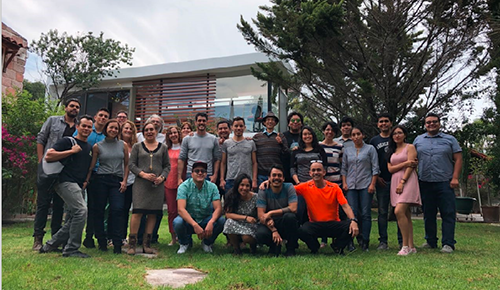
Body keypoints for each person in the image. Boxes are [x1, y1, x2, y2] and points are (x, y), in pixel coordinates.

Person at [38, 115, 94, 258]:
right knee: (81, 211)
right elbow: (49, 155)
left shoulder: (88, 147)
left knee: (75, 217)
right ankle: (71, 249)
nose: (86, 129)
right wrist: (71, 151)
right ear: (77, 127)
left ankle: (50, 245)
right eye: (84, 126)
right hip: (65, 181)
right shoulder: (68, 141)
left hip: (79, 185)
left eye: (89, 127)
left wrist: (85, 182)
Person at [33, 98, 80, 251]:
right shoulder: (53, 121)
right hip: (48, 167)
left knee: (59, 206)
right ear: (66, 107)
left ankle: (55, 239)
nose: (74, 109)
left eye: (77, 107)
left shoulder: (79, 127)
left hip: (64, 172)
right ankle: (38, 239)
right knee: (43, 204)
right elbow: (41, 138)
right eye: (72, 106)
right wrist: (41, 161)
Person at [413, 113, 462, 253]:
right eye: (428, 122)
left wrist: (455, 177)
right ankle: (430, 241)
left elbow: (458, 159)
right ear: (425, 124)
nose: (431, 124)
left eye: (434, 122)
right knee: (428, 213)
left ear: (439, 123)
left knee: (448, 213)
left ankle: (448, 243)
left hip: (445, 182)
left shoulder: (450, 140)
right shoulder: (418, 140)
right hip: (425, 182)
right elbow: (412, 158)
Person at [296, 162, 359, 255]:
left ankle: (337, 246)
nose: (316, 172)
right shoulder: (305, 186)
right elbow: (287, 189)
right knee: (302, 230)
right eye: (313, 170)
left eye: (319, 170)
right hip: (315, 224)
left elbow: (345, 206)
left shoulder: (334, 187)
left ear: (324, 172)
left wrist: (353, 220)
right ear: (310, 173)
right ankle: (314, 247)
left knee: (351, 226)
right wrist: (269, 183)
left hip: (333, 223)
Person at [127, 121, 170, 255]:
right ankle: (132, 244)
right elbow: (131, 164)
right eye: (147, 130)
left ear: (156, 132)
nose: (150, 132)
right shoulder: (137, 147)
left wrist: (162, 178)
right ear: (143, 132)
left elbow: (167, 166)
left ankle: (147, 244)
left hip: (157, 186)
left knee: (152, 214)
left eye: (152, 130)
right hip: (141, 185)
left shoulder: (163, 148)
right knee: (137, 212)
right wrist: (143, 174)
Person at [85, 119, 129, 254]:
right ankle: (101, 241)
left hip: (117, 181)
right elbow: (92, 166)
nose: (113, 130)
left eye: (116, 128)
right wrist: (86, 180)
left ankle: (117, 242)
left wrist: (125, 181)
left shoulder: (123, 145)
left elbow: (127, 164)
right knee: (99, 210)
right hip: (101, 180)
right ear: (106, 129)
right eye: (111, 128)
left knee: (117, 209)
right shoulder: (98, 146)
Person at [174, 161, 226, 254]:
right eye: (197, 171)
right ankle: (184, 243)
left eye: (203, 171)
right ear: (192, 173)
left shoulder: (212, 187)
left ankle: (207, 243)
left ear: (206, 174)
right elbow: (181, 210)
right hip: (189, 221)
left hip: (205, 219)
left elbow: (218, 208)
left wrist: (211, 222)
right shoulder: (184, 186)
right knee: (177, 222)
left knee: (221, 221)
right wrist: (195, 225)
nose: (200, 173)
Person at [341, 127, 379, 251]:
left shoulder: (370, 149)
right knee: (352, 213)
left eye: (358, 134)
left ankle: (365, 240)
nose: (356, 137)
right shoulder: (347, 150)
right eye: (353, 135)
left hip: (366, 184)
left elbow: (375, 168)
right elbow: (344, 168)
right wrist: (344, 183)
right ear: (351, 137)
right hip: (351, 185)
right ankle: (350, 241)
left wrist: (372, 184)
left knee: (365, 213)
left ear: (363, 135)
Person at [387, 125, 421, 256]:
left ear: (405, 134)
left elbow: (411, 166)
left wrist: (403, 182)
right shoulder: (391, 150)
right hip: (394, 181)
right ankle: (412, 246)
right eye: (394, 133)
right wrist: (404, 163)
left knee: (399, 211)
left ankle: (405, 245)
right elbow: (390, 169)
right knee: (406, 214)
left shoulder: (410, 147)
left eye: (400, 133)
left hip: (407, 181)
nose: (397, 135)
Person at [369, 113, 401, 250]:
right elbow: (371, 161)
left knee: (400, 211)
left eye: (386, 121)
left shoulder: (397, 138)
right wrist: (377, 177)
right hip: (382, 181)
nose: (383, 124)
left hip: (397, 180)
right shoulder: (374, 141)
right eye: (381, 122)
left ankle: (402, 241)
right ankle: (383, 241)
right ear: (377, 124)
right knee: (382, 212)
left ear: (391, 123)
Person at [80, 107, 110, 249]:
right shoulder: (86, 131)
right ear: (95, 117)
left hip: (99, 174)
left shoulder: (107, 137)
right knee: (81, 207)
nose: (103, 118)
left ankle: (91, 237)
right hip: (82, 172)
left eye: (106, 116)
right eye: (101, 115)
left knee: (96, 207)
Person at [256, 164, 299, 257]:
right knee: (260, 234)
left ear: (283, 178)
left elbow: (293, 208)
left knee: (290, 217)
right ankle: (274, 246)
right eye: (274, 175)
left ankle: (291, 248)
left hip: (284, 221)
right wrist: (273, 230)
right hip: (270, 222)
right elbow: (261, 215)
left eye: (279, 175)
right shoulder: (263, 190)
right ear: (269, 178)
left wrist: (271, 212)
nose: (277, 178)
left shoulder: (289, 187)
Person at [290, 126, 327, 225]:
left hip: (317, 186)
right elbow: (292, 168)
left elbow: (324, 167)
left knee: (319, 211)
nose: (307, 136)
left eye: (309, 134)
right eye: (305, 134)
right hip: (301, 186)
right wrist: (297, 182)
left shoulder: (319, 150)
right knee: (300, 211)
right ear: (301, 136)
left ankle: (323, 239)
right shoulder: (296, 151)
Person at [178, 113, 221, 185]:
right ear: (195, 122)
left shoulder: (213, 139)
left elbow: (217, 159)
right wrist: (179, 178)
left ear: (207, 122)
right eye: (199, 120)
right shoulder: (187, 139)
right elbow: (181, 158)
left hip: (207, 174)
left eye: (204, 121)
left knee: (206, 196)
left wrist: (215, 175)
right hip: (191, 174)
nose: (201, 123)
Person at [223, 173, 258, 255]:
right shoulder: (232, 195)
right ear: (237, 185)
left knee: (246, 238)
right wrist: (245, 218)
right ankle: (237, 249)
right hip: (238, 222)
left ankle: (253, 246)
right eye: (242, 185)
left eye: (247, 186)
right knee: (229, 223)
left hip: (252, 224)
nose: (244, 188)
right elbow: (228, 214)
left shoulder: (256, 197)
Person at [220, 117, 258, 192]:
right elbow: (223, 163)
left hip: (247, 180)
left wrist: (254, 180)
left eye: (241, 126)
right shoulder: (227, 143)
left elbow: (254, 163)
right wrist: (222, 179)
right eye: (236, 126)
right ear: (232, 127)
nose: (238, 128)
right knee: (231, 203)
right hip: (231, 179)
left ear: (244, 127)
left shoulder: (250, 143)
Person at [252, 111, 288, 186]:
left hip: (276, 174)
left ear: (275, 123)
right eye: (268, 120)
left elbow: (286, 153)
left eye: (272, 120)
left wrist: (281, 143)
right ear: (264, 122)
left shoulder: (280, 136)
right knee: (261, 195)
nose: (270, 122)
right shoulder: (257, 137)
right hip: (261, 174)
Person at [118, 120, 138, 244]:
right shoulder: (117, 144)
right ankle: (113, 235)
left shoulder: (136, 146)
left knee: (127, 209)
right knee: (117, 209)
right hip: (119, 180)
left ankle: (123, 236)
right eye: (126, 128)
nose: (128, 130)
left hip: (133, 182)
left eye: (131, 129)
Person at [164, 126, 183, 246]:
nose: (173, 135)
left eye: (175, 132)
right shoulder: (166, 149)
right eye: (170, 133)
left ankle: (183, 237)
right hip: (169, 183)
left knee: (183, 210)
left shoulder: (185, 148)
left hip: (182, 182)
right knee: (172, 211)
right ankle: (173, 237)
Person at [319, 121, 343, 186]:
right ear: (323, 131)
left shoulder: (339, 147)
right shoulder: (318, 146)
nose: (330, 132)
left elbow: (342, 164)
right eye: (327, 129)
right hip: (322, 182)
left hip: (336, 181)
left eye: (332, 130)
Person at [282, 112, 303, 182]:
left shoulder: (306, 136)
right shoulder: (282, 136)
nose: (295, 122)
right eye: (293, 120)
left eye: (298, 120)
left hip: (302, 173)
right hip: (285, 173)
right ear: (288, 123)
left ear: (302, 123)